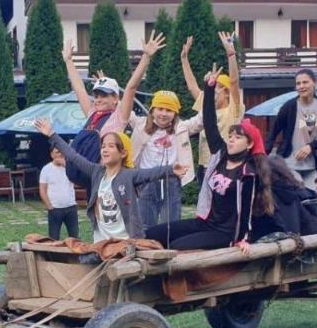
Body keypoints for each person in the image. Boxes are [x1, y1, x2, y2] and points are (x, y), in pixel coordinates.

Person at [144, 65, 274, 251]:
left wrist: (242, 239)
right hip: (205, 222)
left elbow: (244, 210)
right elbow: (210, 123)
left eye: (238, 137)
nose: (231, 140)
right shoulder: (221, 155)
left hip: (225, 233)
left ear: (250, 144)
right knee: (153, 234)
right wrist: (209, 87)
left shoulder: (247, 172)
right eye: (230, 136)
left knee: (175, 247)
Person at [34, 118, 187, 242]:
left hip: (125, 242)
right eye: (103, 146)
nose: (105, 149)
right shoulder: (96, 172)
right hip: (101, 242)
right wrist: (52, 135)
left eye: (111, 146)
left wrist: (171, 169)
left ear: (122, 153)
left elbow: (150, 173)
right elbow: (73, 156)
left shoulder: (129, 175)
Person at [115, 30, 199, 228]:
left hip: (172, 181)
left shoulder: (182, 128)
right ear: (152, 110)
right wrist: (146, 57)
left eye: (169, 110)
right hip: (146, 181)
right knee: (146, 227)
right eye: (159, 109)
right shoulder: (140, 125)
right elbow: (125, 100)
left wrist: (185, 61)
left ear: (176, 113)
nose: (163, 114)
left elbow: (205, 112)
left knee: (171, 227)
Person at [61, 39, 126, 187]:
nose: (98, 100)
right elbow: (79, 88)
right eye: (96, 96)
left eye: (104, 96)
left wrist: (146, 57)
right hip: (90, 176)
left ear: (115, 98)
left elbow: (130, 90)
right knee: (93, 211)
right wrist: (68, 61)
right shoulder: (92, 113)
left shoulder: (118, 118)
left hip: (106, 178)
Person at [181, 31, 243, 185]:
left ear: (227, 93)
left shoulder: (233, 110)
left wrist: (231, 55)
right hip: (205, 166)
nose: (214, 90)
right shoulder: (207, 106)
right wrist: (184, 59)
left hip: (225, 163)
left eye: (219, 88)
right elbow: (192, 86)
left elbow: (234, 82)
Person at [266, 67, 317, 189]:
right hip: (289, 164)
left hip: (313, 165)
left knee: (314, 197)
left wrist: (311, 146)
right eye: (298, 83)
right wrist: (261, 156)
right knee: (298, 194)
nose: (301, 86)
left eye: (305, 82)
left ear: (315, 83)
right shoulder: (289, 107)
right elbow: (273, 133)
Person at [253, 155, 317, 238]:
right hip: (294, 241)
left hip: (271, 243)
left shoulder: (264, 196)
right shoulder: (294, 194)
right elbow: (308, 224)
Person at [38, 145, 80, 240]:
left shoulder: (70, 167)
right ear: (52, 154)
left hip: (71, 207)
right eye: (57, 152)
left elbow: (78, 180)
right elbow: (42, 190)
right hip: (55, 209)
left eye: (62, 152)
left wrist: (66, 165)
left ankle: (74, 255)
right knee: (53, 238)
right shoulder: (46, 169)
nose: (60, 154)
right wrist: (50, 206)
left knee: (75, 238)